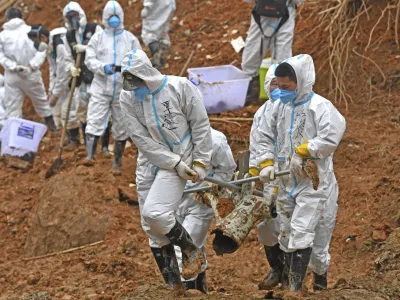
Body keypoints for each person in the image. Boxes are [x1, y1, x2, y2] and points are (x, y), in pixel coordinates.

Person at [119, 49, 213, 288]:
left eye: (137, 83)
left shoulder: (179, 88)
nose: (134, 90)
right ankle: (174, 288)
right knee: (151, 227)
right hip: (152, 160)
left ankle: (191, 250)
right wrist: (172, 162)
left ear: (146, 76)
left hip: (181, 157)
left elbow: (200, 125)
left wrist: (200, 162)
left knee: (156, 213)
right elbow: (140, 138)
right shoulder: (127, 97)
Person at [256, 54, 346, 293]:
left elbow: (330, 136)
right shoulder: (281, 108)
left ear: (302, 81)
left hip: (314, 183)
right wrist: (265, 163)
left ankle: (314, 284)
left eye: (287, 87)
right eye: (279, 86)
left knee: (308, 237)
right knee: (287, 234)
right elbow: (264, 135)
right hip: (287, 181)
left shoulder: (321, 107)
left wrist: (305, 150)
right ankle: (292, 286)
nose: (282, 91)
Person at [144, 128, 235, 293]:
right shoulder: (168, 140)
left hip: (201, 203)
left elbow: (227, 170)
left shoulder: (215, 140)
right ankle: (201, 290)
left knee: (186, 248)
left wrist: (209, 188)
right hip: (176, 198)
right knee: (191, 242)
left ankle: (187, 290)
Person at [83, 1, 142, 173]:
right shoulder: (98, 38)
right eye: (110, 17)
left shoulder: (130, 39)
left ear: (122, 17)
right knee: (94, 119)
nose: (114, 20)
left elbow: (139, 59)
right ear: (104, 18)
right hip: (101, 87)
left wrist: (128, 70)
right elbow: (89, 59)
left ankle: (117, 162)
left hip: (122, 89)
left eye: (116, 16)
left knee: (121, 125)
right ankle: (89, 156)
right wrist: (102, 68)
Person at [249, 63, 285, 290]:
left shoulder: (298, 108)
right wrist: (256, 171)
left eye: (281, 83)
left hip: (292, 174)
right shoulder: (261, 114)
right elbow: (257, 144)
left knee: (290, 222)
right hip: (268, 174)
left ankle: (294, 273)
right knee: (266, 223)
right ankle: (276, 268)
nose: (278, 87)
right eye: (273, 83)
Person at [0, 8, 57, 133]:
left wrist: (13, 66)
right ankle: (53, 127)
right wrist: (32, 66)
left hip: (12, 76)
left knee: (13, 107)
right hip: (31, 74)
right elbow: (42, 50)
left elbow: (1, 56)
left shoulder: (2, 35)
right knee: (41, 101)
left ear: (7, 19)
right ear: (21, 17)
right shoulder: (31, 31)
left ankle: (15, 138)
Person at [28, 25, 82, 148]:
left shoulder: (60, 45)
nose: (35, 44)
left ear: (42, 37)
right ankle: (69, 137)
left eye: (35, 41)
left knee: (69, 111)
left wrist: (55, 94)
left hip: (73, 77)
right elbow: (53, 69)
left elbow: (63, 72)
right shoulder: (50, 44)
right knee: (59, 111)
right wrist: (51, 90)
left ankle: (76, 140)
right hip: (63, 81)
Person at [242, 0, 302, 105]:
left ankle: (279, 96)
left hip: (284, 12)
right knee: (253, 52)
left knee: (281, 55)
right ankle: (251, 92)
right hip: (264, 13)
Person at [62, 1, 103, 145]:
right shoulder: (69, 36)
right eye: (70, 17)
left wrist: (86, 49)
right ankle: (88, 144)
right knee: (82, 110)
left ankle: (103, 143)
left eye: (75, 15)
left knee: (99, 109)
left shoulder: (94, 28)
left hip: (97, 76)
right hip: (81, 79)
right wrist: (70, 68)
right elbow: (67, 57)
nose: (73, 19)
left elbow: (103, 48)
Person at [141, 0, 176, 69]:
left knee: (149, 33)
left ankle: (158, 58)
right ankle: (163, 46)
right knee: (163, 27)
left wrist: (147, 7)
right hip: (169, 4)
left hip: (158, 5)